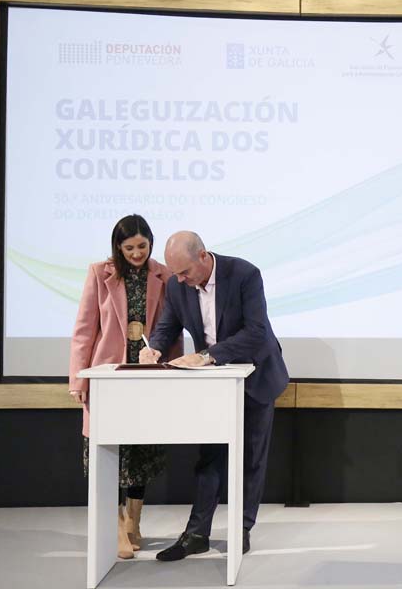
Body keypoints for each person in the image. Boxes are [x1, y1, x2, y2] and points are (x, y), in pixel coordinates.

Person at [141, 231, 289, 560]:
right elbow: (167, 325)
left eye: (185, 272)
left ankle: (241, 529)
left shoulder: (244, 274)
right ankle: (197, 534)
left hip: (257, 375)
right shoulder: (177, 285)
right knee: (210, 457)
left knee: (251, 457)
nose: (180, 279)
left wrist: (207, 355)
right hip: (214, 383)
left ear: (203, 256)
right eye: (175, 273)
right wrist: (155, 348)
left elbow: (256, 332)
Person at [68, 214, 180, 560]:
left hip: (148, 375)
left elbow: (172, 329)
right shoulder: (99, 273)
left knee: (141, 449)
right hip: (108, 376)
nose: (136, 253)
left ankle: (134, 521)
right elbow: (84, 329)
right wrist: (78, 378)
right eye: (129, 247)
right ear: (117, 246)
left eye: (142, 246)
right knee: (110, 450)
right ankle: (116, 526)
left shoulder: (164, 275)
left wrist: (175, 371)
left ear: (151, 243)